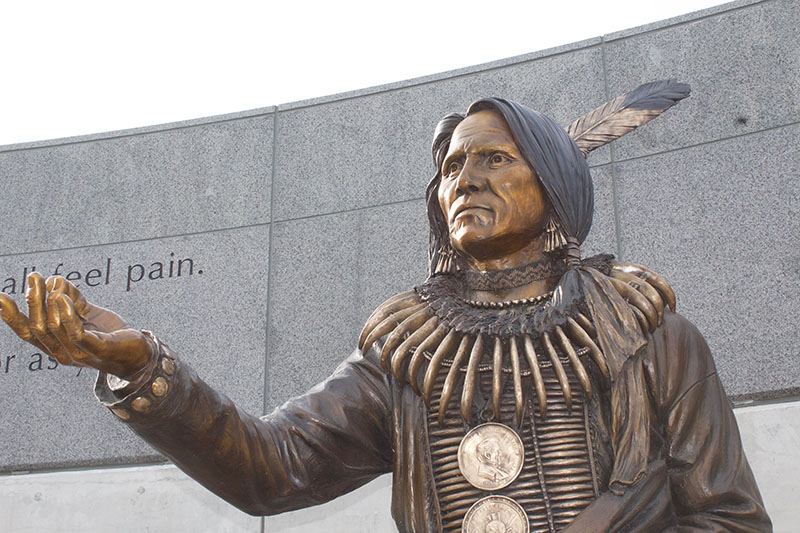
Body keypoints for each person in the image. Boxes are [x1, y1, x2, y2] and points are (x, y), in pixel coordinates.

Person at [0, 87, 771, 532]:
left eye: (494, 157)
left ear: (556, 184)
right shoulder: (406, 353)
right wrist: (144, 370)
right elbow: (274, 466)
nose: (464, 177)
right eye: (451, 166)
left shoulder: (650, 336)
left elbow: (730, 520)